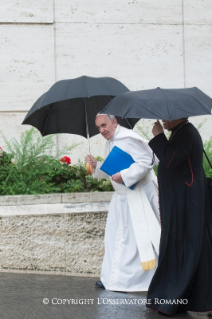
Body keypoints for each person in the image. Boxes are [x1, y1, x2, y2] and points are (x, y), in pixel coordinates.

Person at [86, 114, 161, 292]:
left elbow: (148, 161)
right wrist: (97, 165)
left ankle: (136, 282)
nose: (102, 130)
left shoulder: (128, 138)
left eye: (104, 125)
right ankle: (114, 279)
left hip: (138, 195)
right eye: (98, 127)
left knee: (135, 241)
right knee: (115, 238)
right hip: (121, 198)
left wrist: (125, 176)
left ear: (114, 122)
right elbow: (113, 169)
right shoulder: (110, 141)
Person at [147, 118, 212, 316]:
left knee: (184, 248)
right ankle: (179, 300)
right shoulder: (182, 131)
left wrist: (158, 137)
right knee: (185, 248)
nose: (163, 120)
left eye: (167, 117)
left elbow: (171, 159)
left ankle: (173, 300)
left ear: (178, 116)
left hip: (186, 204)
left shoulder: (186, 132)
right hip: (181, 202)